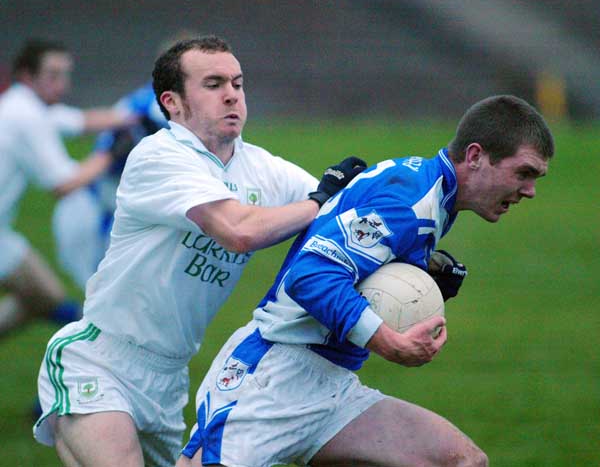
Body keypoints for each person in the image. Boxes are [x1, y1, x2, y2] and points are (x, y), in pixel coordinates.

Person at [33, 35, 365, 467]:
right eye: (213, 84)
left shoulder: (264, 169)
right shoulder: (158, 155)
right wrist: (318, 201)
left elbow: (349, 223)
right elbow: (237, 230)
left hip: (171, 379)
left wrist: (417, 255)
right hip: (99, 360)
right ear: (171, 102)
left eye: (238, 83)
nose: (231, 94)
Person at [178, 95, 554, 467]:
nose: (530, 190)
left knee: (461, 461)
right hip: (273, 377)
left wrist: (421, 274)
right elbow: (311, 275)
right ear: (475, 157)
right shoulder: (410, 202)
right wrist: (390, 343)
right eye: (523, 173)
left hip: (332, 386)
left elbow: (359, 263)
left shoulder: (431, 191)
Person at [0, 38, 136, 339]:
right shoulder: (26, 116)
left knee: (42, 298)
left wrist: (134, 115)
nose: (62, 84)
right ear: (27, 76)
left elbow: (81, 120)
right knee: (48, 298)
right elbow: (63, 184)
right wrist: (110, 155)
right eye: (53, 75)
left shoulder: (25, 106)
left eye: (65, 74)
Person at [52, 83, 167, 289]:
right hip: (97, 211)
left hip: (127, 211)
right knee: (104, 293)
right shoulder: (147, 105)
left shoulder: (145, 105)